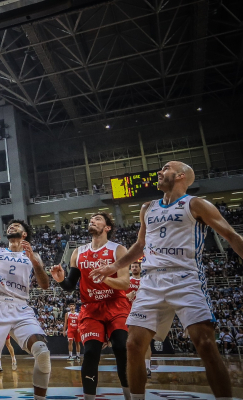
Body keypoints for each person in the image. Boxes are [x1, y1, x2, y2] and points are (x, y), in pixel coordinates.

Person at [91, 161, 243, 400]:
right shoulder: (147, 207)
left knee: (204, 343)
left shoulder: (196, 204)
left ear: (181, 175)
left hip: (185, 278)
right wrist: (114, 265)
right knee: (133, 345)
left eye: (165, 168)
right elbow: (140, 245)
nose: (160, 172)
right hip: (151, 281)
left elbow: (231, 235)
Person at [0, 220, 51, 400]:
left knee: (42, 353)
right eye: (10, 226)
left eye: (16, 226)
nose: (12, 227)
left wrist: (35, 262)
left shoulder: (33, 255)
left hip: (21, 306)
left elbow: (45, 285)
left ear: (24, 234)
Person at [50, 212, 131, 400]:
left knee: (121, 347)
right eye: (90, 220)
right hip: (91, 308)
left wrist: (106, 278)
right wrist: (61, 280)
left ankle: (130, 396)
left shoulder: (118, 250)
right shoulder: (78, 252)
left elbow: (125, 283)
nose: (92, 221)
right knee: (91, 352)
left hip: (116, 304)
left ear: (107, 227)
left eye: (97, 219)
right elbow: (70, 286)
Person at [126, 261, 152, 377]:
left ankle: (147, 368)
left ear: (140, 269)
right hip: (128, 313)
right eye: (133, 266)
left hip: (143, 312)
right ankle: (132, 367)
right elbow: (121, 295)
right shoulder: (127, 280)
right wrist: (128, 296)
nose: (135, 268)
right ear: (130, 269)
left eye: (136, 266)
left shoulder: (145, 281)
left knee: (145, 341)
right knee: (129, 342)